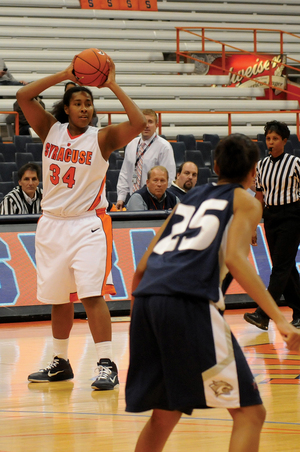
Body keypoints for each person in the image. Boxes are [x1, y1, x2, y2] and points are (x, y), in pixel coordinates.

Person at [125, 133, 300, 452]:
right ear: (254, 172)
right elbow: (235, 258)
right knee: (251, 413)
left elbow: (142, 266)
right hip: (189, 302)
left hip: (149, 301)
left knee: (164, 415)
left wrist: (141, 316)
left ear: (215, 166)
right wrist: (280, 319)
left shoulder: (188, 199)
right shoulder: (246, 200)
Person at [16, 54, 146, 390]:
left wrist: (112, 83)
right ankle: (60, 362)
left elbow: (137, 123)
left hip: (89, 224)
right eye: (78, 103)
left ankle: (106, 363)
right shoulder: (50, 129)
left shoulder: (101, 138)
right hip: (51, 224)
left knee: (91, 296)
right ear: (67, 109)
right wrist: (63, 74)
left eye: (89, 103)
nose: (85, 108)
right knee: (59, 299)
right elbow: (23, 97)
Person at [244, 121, 300, 331]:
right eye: (268, 138)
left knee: (280, 268)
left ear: (284, 141)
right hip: (270, 217)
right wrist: (252, 226)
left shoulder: (295, 163)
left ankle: (263, 314)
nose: (271, 142)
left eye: (275, 138)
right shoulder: (262, 165)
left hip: (292, 215)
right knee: (285, 267)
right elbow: (259, 196)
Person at [116, 109, 176, 210]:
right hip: (132, 199)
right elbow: (125, 173)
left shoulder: (164, 147)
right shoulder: (131, 144)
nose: (147, 125)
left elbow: (168, 178)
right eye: (144, 121)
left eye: (150, 122)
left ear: (157, 125)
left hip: (153, 201)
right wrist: (121, 197)